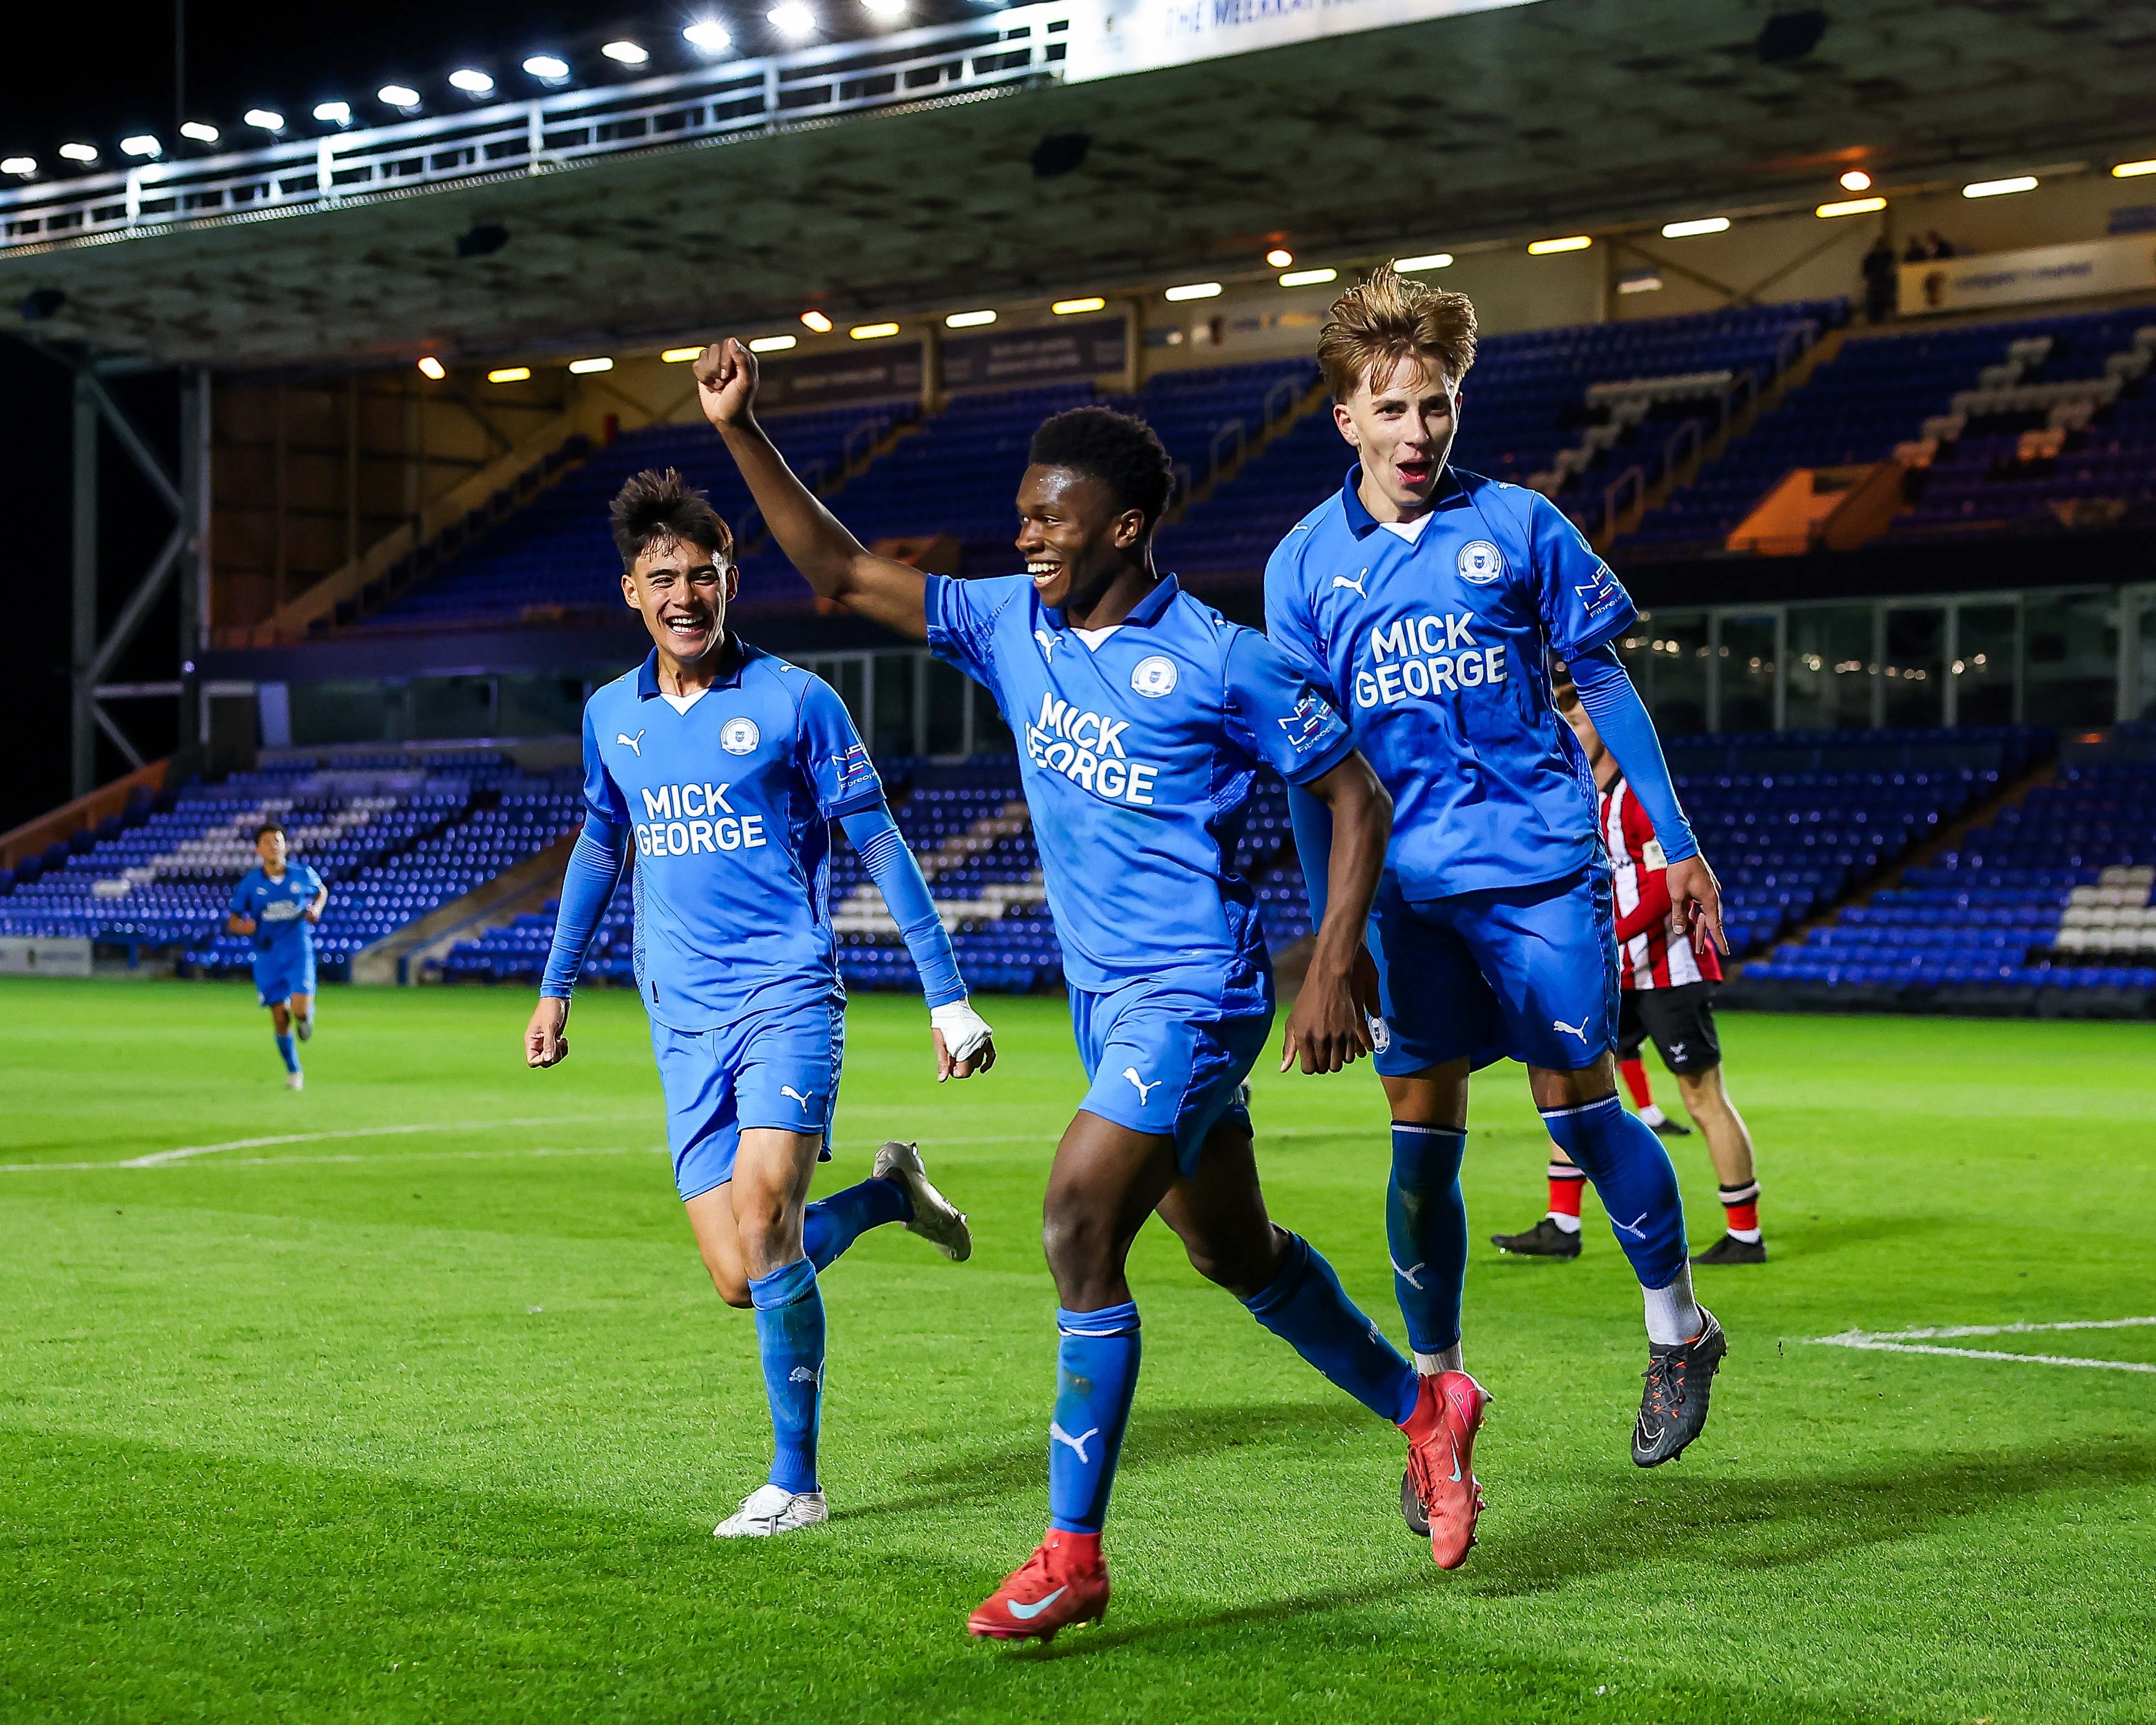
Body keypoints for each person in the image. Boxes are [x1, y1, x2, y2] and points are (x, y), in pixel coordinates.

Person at [697, 336, 1482, 1638]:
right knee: (1235, 1253)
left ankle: (1072, 1553)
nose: (1026, 542)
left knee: (1073, 1220)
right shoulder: (1009, 625)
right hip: (1108, 1008)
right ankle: (1426, 1408)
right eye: (1020, 520)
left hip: (1196, 998)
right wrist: (742, 430)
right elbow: (837, 570)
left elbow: (1355, 795)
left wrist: (1334, 965)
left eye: (1049, 522)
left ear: (1122, 526)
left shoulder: (1227, 662)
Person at [1263, 266, 1731, 1500]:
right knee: (1421, 1151)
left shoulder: (1520, 524)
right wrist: (1335, 946)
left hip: (1537, 875)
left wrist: (1676, 842)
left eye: (1439, 405)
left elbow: (1611, 684)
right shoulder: (1302, 569)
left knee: (1579, 1107)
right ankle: (1437, 1400)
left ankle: (1680, 1330)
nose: (1420, 433)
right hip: (1408, 902)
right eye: (1395, 408)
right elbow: (1317, 775)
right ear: (1347, 419)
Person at [525, 467, 997, 1541]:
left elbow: (879, 840)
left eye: (703, 575)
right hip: (678, 1017)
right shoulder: (611, 715)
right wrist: (557, 987)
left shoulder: (796, 700)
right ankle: (888, 1198)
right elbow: (604, 844)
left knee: (769, 1222)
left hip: (787, 996)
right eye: (663, 579)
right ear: (631, 594)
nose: (685, 596)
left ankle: (798, 1484)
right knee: (740, 1277)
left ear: (731, 579)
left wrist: (947, 995)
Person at [1493, 674, 1766, 1264]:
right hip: (1615, 971)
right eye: (1562, 712)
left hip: (1668, 969)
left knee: (1701, 1097)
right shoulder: (1577, 794)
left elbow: (1660, 887)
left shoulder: (1640, 798)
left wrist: (1600, 938)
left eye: (1579, 713)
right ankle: (1562, 1224)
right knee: (1569, 1086)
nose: (1568, 724)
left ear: (1607, 726)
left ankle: (1746, 1233)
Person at [226, 821, 327, 1091]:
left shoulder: (302, 873)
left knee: (300, 1010)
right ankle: (294, 1070)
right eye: (267, 842)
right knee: (279, 1016)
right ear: (258, 849)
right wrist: (242, 927)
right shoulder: (250, 884)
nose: (273, 846)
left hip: (298, 950)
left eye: (278, 841)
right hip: (267, 955)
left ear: (285, 845)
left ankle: (306, 1018)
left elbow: (322, 891)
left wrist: (316, 909)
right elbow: (233, 919)